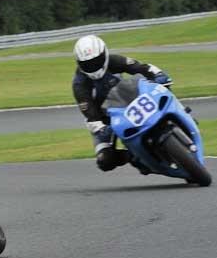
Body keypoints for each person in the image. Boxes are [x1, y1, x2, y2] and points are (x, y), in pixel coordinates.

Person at [72, 35, 172, 172]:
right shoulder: (79, 84)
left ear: (104, 54)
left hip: (129, 98)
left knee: (162, 89)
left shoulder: (114, 60)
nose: (93, 66)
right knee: (105, 161)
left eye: (96, 61)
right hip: (105, 118)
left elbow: (140, 67)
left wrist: (158, 74)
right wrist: (100, 128)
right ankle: (133, 156)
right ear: (79, 63)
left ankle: (179, 114)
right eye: (87, 64)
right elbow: (89, 112)